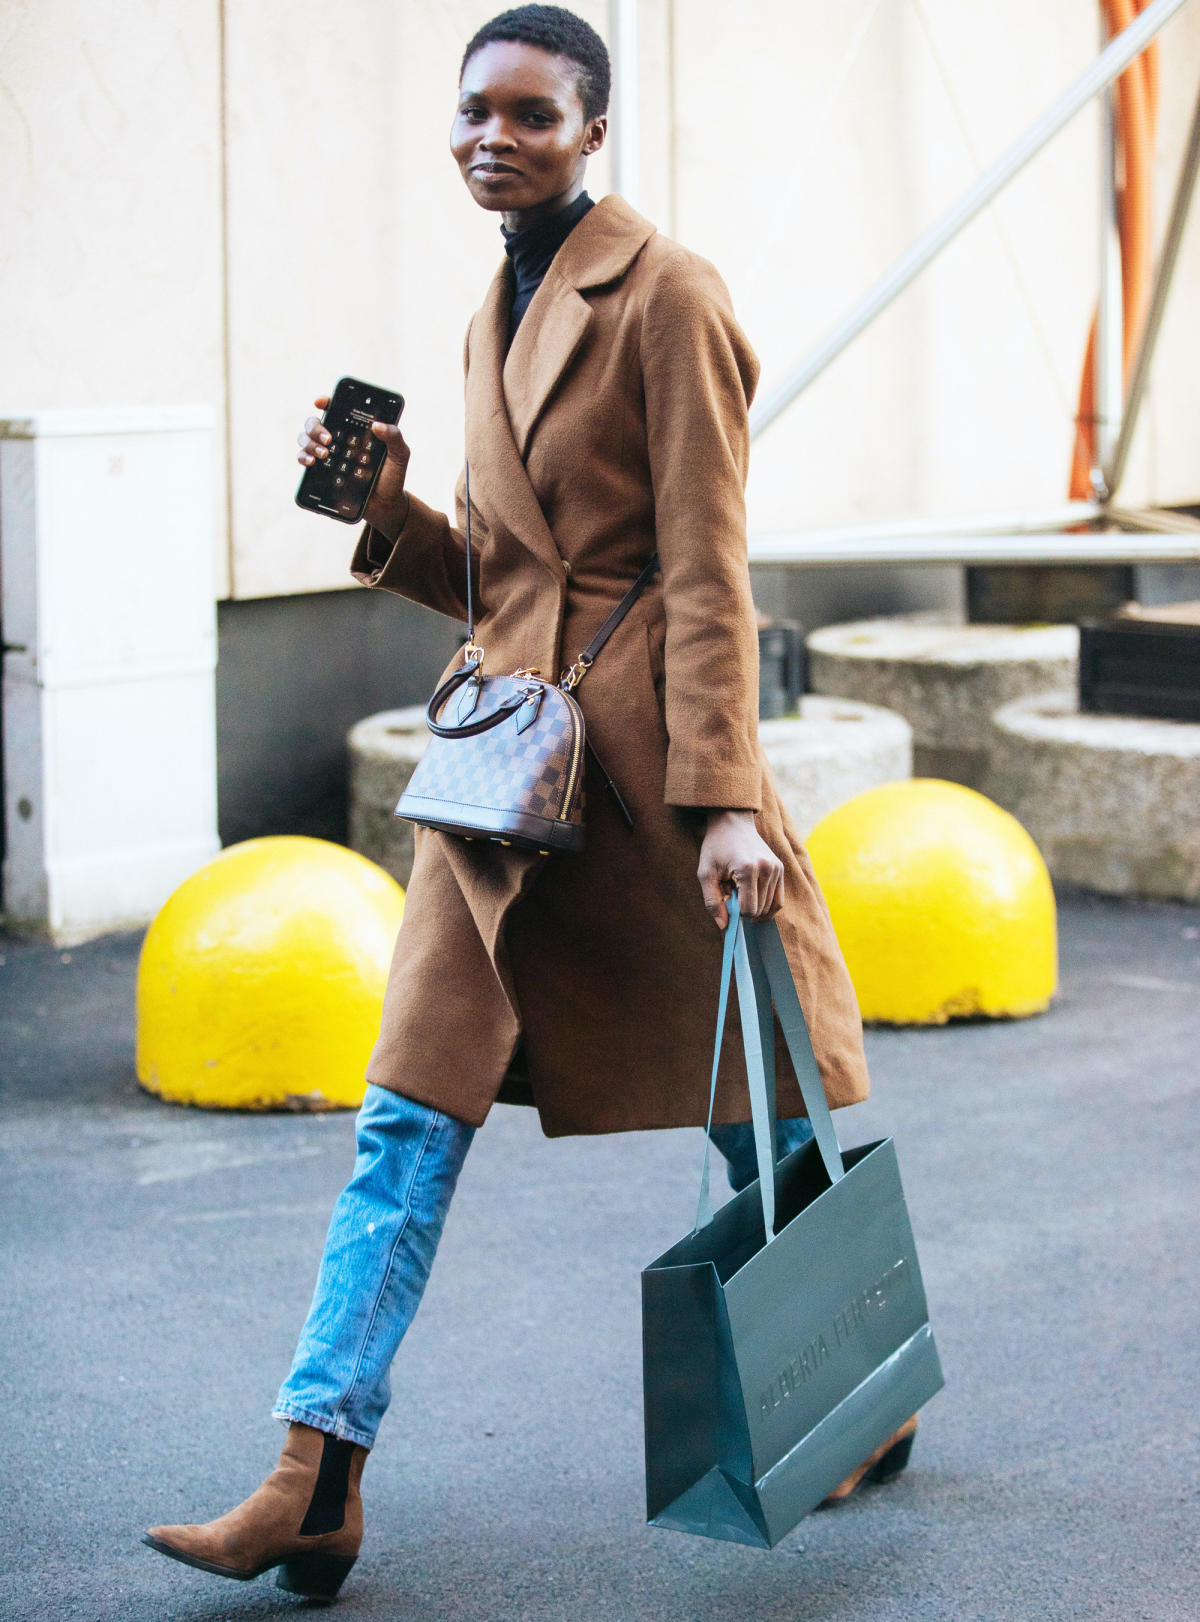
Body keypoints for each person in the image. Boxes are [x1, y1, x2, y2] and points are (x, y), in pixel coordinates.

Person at [143, 6, 915, 1600]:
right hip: (503, 779)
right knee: (401, 1120)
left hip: (642, 778)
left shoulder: (672, 294)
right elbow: (506, 581)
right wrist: (389, 510)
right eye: (473, 112)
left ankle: (856, 1367)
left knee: (744, 1106)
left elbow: (705, 566)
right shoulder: (496, 295)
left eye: (531, 114)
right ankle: (316, 1471)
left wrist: (723, 800)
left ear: (593, 129)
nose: (493, 136)